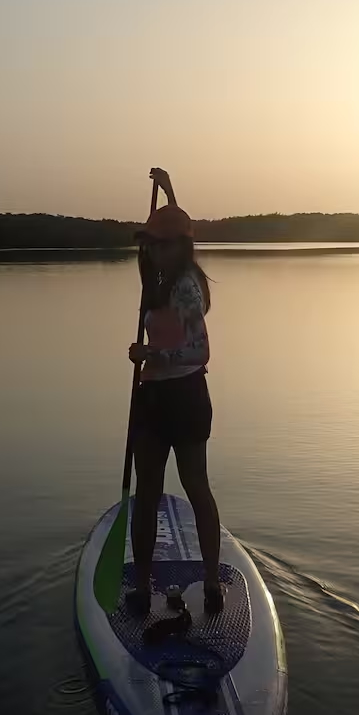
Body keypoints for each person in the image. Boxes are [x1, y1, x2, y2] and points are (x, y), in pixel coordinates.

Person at [125, 167, 223, 617]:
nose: (153, 250)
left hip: (183, 396)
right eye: (150, 244)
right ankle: (142, 587)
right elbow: (177, 225)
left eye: (161, 244)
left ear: (180, 247)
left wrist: (151, 354)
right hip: (152, 399)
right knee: (146, 492)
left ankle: (210, 581)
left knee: (195, 486)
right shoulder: (156, 280)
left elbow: (197, 349)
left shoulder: (186, 285)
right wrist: (168, 191)